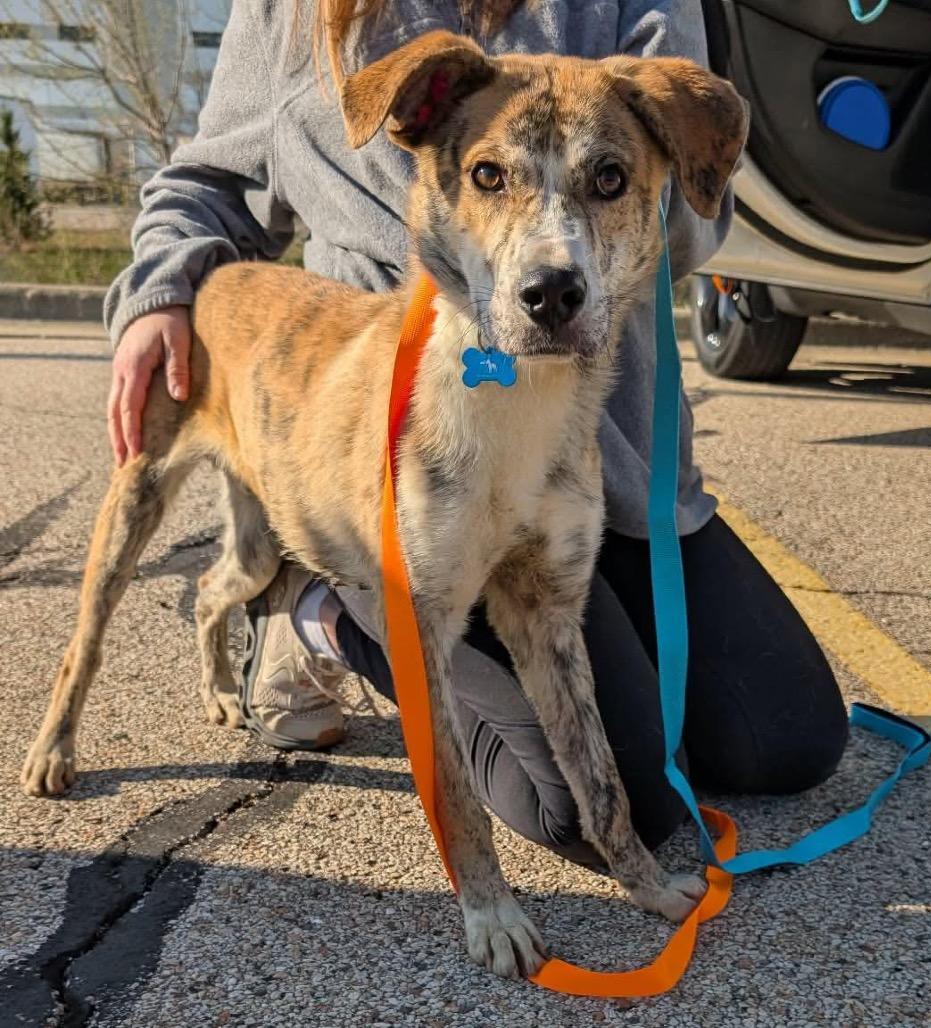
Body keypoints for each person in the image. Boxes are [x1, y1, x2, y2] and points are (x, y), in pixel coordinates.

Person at [104, 0, 848, 869]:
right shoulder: (293, 12)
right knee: (610, 808)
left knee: (786, 742)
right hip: (417, 457)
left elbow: (695, 213)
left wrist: (599, 196)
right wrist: (159, 291)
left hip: (602, 448)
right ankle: (320, 607)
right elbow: (212, 184)